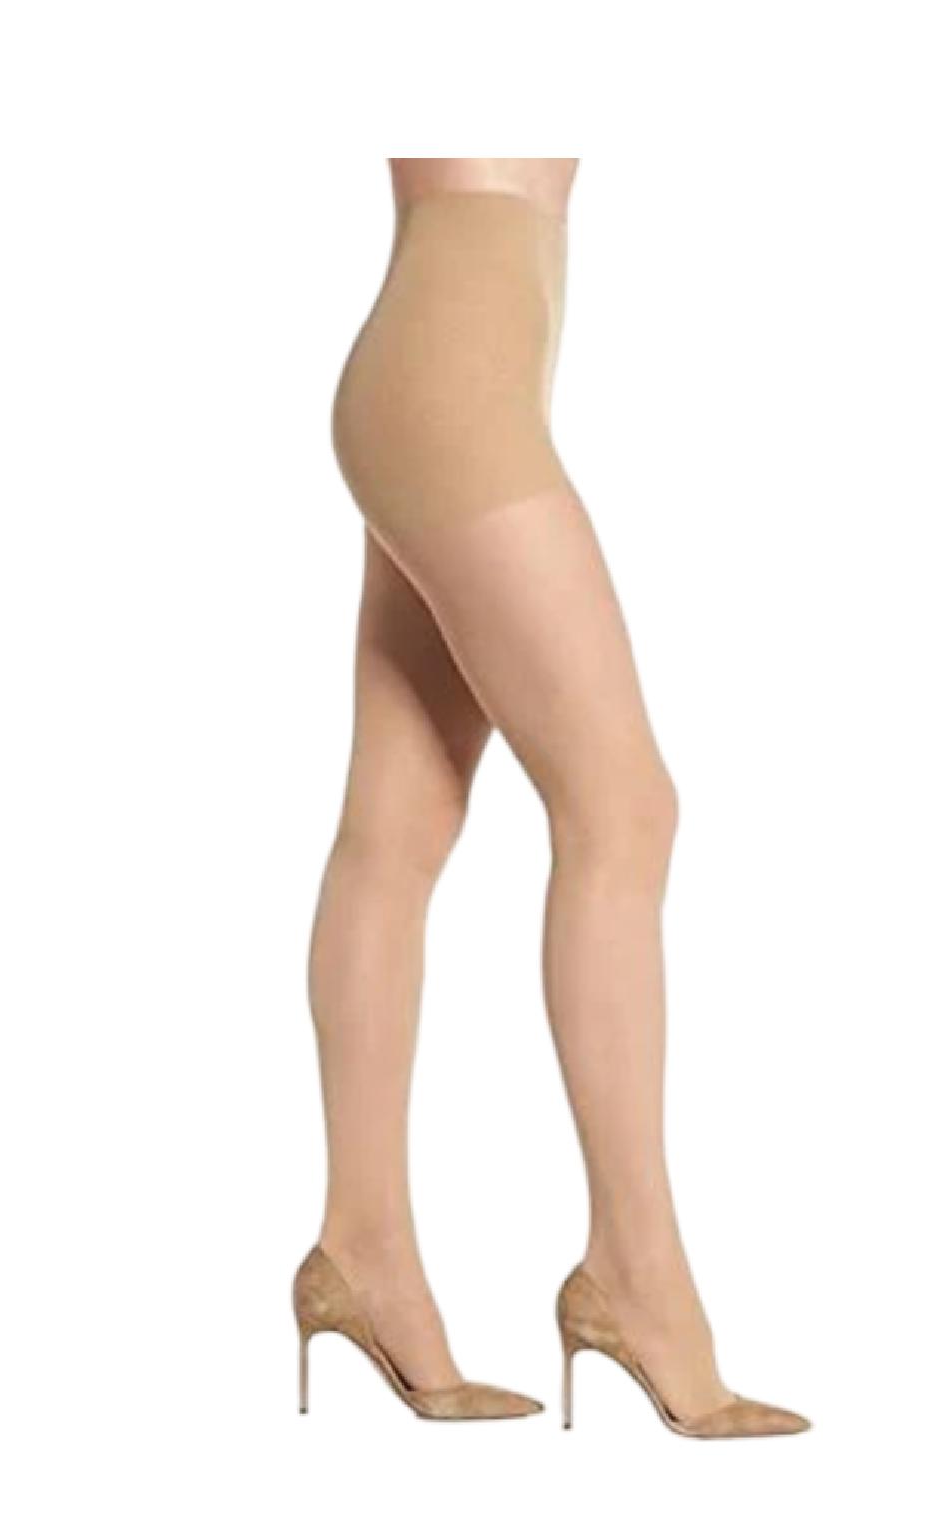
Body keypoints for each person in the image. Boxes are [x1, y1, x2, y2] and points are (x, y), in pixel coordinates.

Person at [294, 159, 808, 1437]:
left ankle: (362, 1252)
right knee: (623, 810)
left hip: (440, 379)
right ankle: (638, 1273)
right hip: (453, 398)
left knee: (397, 829)